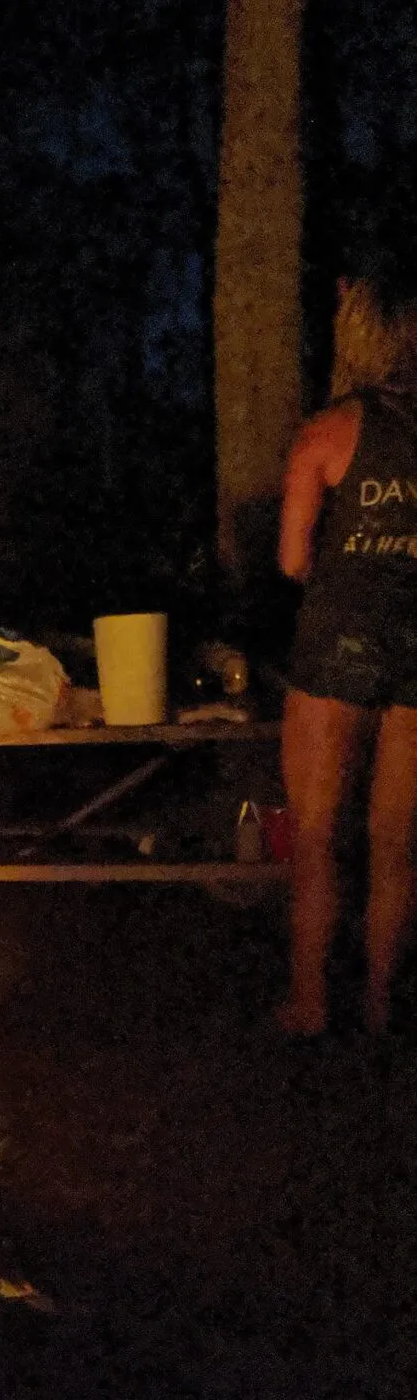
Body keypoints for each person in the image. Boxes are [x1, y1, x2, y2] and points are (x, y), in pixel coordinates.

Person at [279, 269, 417, 1035]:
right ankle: (376, 1006)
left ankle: (307, 1003)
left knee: (317, 833)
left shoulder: (327, 433)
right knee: (396, 841)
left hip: (337, 646)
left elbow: (292, 560)